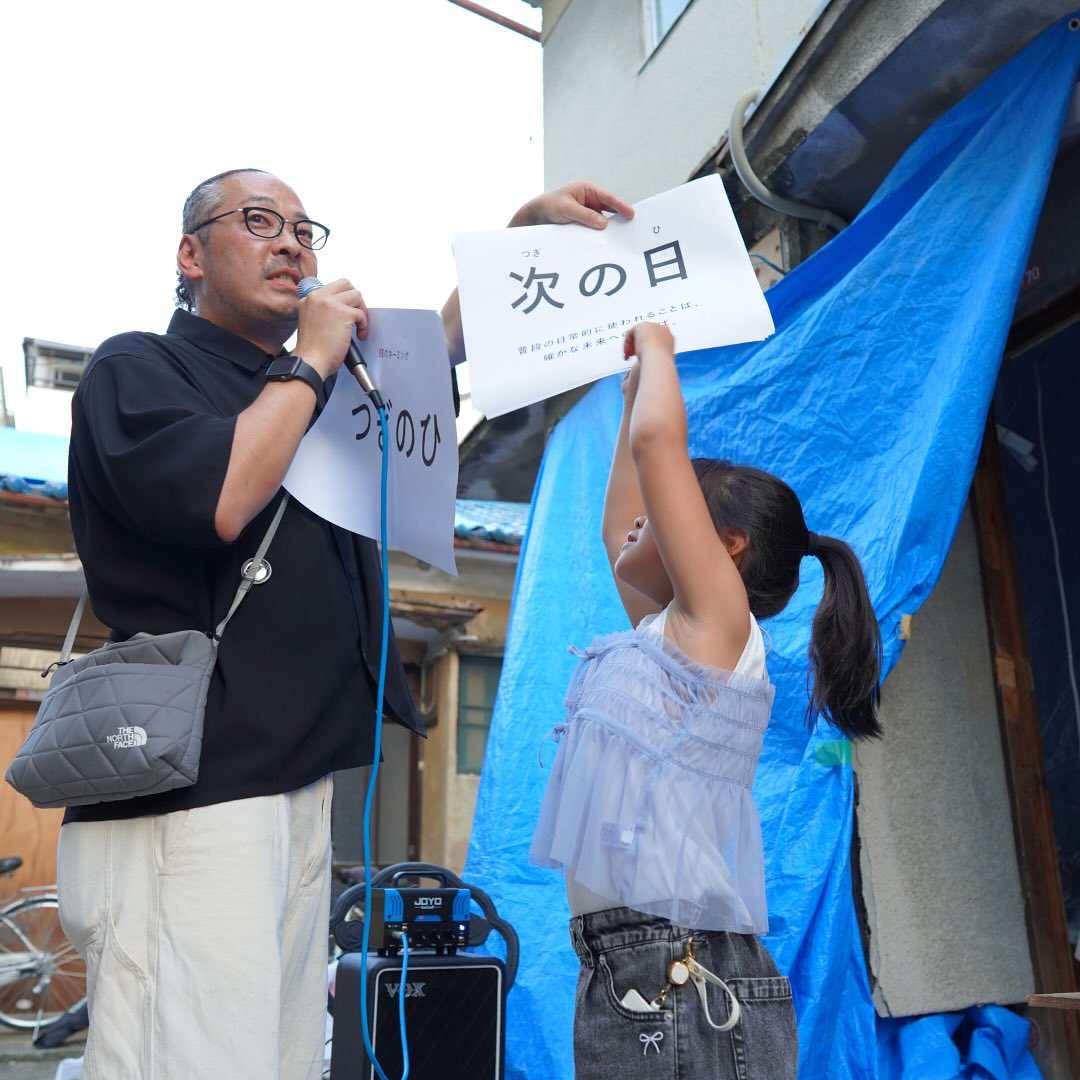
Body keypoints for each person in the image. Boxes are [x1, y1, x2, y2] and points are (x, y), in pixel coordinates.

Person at [57, 167, 634, 1080]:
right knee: (193, 1056)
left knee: (281, 1058)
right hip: (191, 790)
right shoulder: (139, 367)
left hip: (291, 785)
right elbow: (221, 496)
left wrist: (528, 235)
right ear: (189, 254)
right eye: (258, 222)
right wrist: (313, 359)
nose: (292, 243)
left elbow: (436, 344)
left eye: (304, 229)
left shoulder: (311, 387)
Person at [530, 322, 882, 1079]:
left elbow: (661, 449)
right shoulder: (670, 640)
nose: (637, 520)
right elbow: (617, 514)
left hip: (678, 965)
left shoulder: (719, 625)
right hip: (630, 963)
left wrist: (658, 348)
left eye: (665, 513)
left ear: (723, 547)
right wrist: (630, 400)